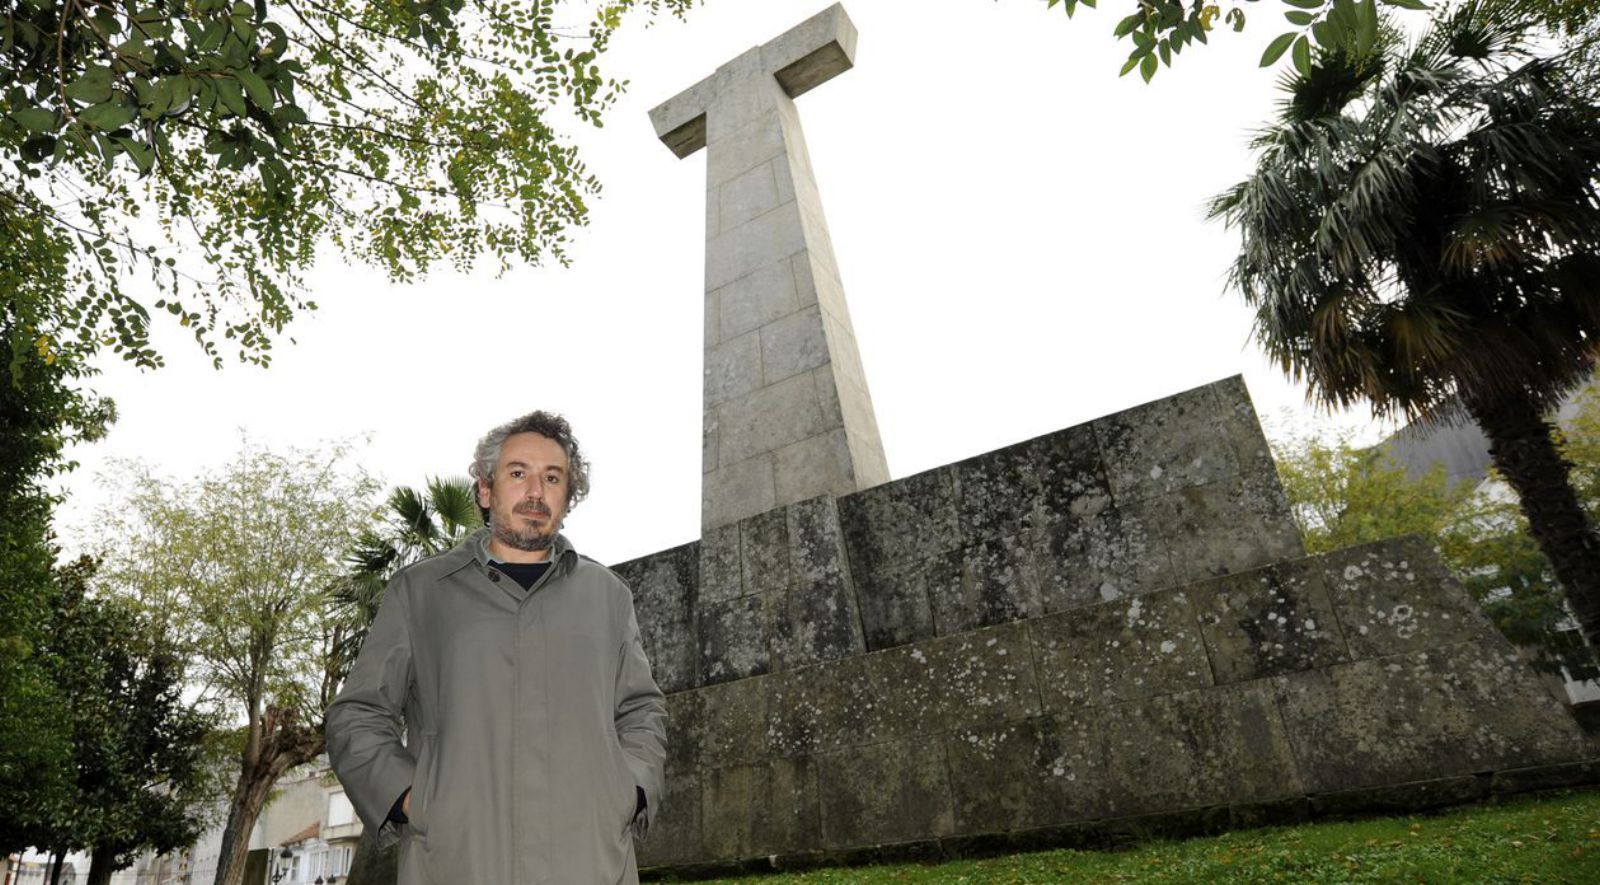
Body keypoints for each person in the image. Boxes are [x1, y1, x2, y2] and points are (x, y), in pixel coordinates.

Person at [327, 411, 667, 884]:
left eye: (552, 477)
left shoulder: (609, 597)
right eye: (517, 473)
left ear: (568, 496)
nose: (535, 491)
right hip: (456, 864)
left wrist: (626, 791)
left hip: (592, 862)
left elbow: (641, 709)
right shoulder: (421, 592)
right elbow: (358, 714)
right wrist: (414, 800)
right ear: (485, 490)